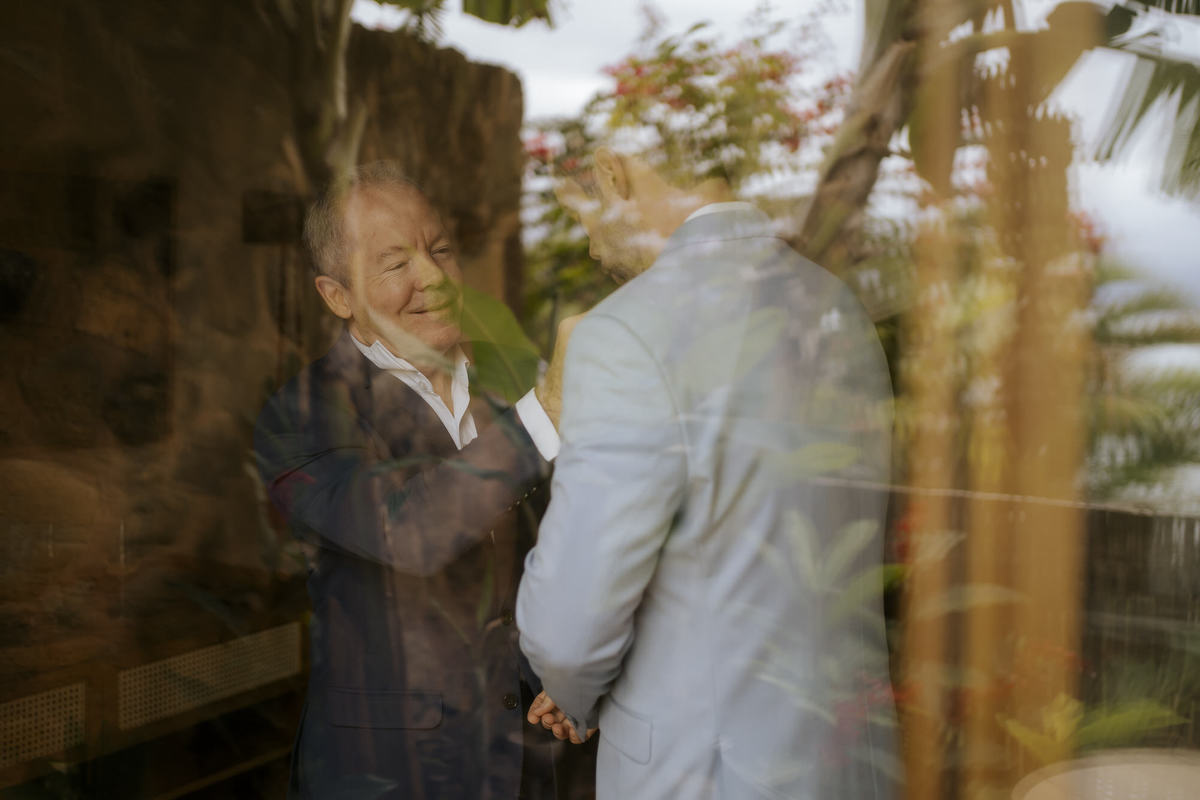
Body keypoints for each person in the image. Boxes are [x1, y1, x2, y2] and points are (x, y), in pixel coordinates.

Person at [517, 148, 900, 799]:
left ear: (615, 177)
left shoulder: (625, 332)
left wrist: (571, 691)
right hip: (846, 757)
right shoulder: (837, 305)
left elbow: (572, 632)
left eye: (583, 220)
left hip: (709, 770)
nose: (592, 249)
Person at [254, 161, 581, 799]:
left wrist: (578, 674)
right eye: (396, 262)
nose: (431, 277)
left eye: (438, 250)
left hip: (538, 763)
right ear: (337, 295)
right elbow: (404, 531)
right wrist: (545, 415)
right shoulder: (300, 414)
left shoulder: (515, 378)